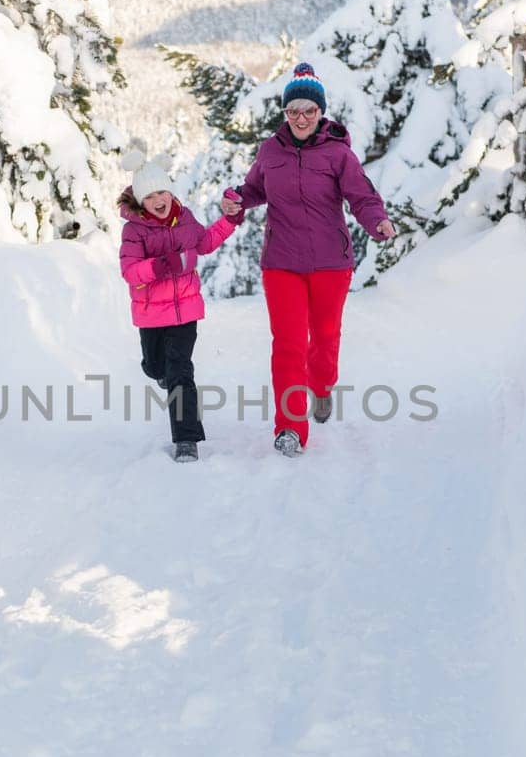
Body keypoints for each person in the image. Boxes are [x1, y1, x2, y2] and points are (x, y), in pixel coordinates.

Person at [222, 62, 396, 457]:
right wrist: (236, 200)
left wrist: (377, 221)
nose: (301, 118)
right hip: (281, 262)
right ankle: (290, 429)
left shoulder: (338, 154)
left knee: (325, 338)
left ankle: (321, 387)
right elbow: (253, 189)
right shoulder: (270, 150)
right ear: (285, 113)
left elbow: (362, 196)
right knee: (288, 344)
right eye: (294, 111)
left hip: (331, 263)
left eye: (309, 111)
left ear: (321, 114)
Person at [118, 159, 243, 462]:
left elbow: (205, 242)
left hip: (185, 310)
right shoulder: (134, 231)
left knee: (180, 371)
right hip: (150, 313)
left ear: (171, 193)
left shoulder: (185, 219)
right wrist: (162, 265)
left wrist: (229, 222)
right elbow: (130, 271)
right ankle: (159, 372)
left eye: (161, 192)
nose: (158, 200)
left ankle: (186, 438)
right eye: (149, 196)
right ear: (139, 200)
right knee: (155, 367)